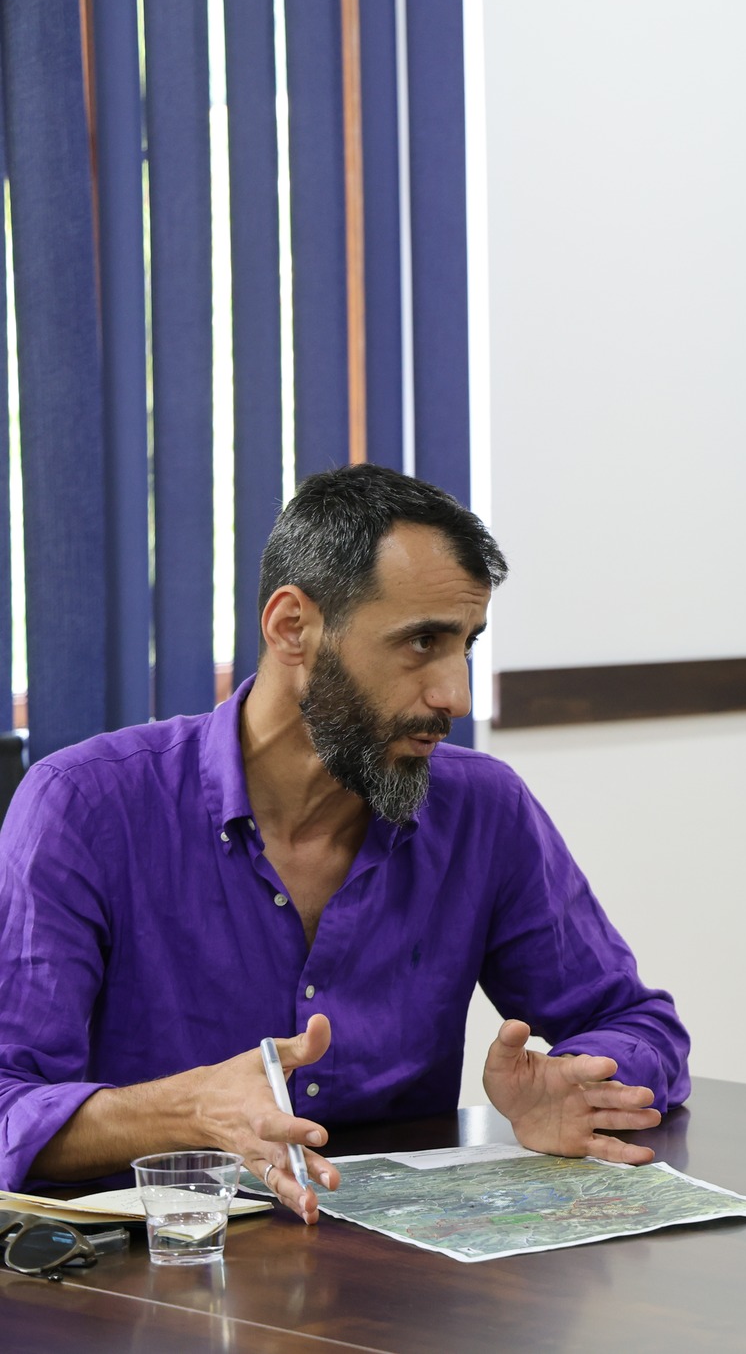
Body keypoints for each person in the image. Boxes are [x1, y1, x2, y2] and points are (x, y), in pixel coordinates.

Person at [0, 465, 690, 1223]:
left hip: (404, 1270)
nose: (455, 696)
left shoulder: (483, 809)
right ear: (292, 627)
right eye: (421, 641)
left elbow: (640, 1023)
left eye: (465, 644)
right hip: (154, 1269)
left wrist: (578, 1081)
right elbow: (8, 1102)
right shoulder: (84, 807)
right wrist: (188, 1110)